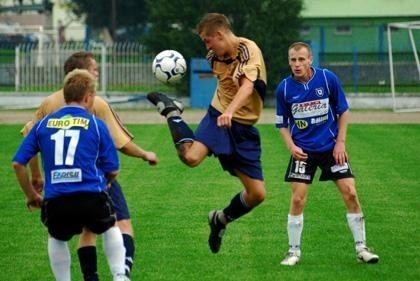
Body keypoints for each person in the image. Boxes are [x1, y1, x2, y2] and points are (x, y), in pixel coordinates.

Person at [21, 51, 158, 279]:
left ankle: (90, 277)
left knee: (76, 233)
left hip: (58, 182)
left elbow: (29, 139)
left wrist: (36, 176)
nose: (97, 72)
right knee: (120, 223)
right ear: (82, 74)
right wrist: (145, 154)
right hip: (94, 178)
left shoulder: (48, 103)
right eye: (94, 69)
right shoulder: (97, 104)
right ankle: (121, 274)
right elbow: (120, 143)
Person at [146, 12, 267, 254]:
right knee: (191, 157)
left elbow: (247, 87)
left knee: (257, 195)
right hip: (218, 116)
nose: (206, 46)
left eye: (207, 40)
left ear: (220, 34)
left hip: (242, 126)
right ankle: (171, 112)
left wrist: (232, 112)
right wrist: (226, 112)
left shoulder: (248, 49)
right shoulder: (214, 56)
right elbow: (229, 90)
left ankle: (220, 220)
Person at [12, 69, 129, 281]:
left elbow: (18, 163)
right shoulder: (95, 124)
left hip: (57, 200)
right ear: (88, 96)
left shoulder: (41, 125)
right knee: (110, 225)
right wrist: (105, 183)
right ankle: (119, 275)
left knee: (57, 236)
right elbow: (113, 169)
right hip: (90, 196)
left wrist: (31, 195)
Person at [275, 41, 379, 266]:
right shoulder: (283, 88)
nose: (297, 64)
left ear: (310, 59)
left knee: (351, 193)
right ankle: (293, 252)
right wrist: (291, 147)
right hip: (303, 151)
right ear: (289, 62)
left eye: (301, 59)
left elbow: (343, 111)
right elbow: (281, 123)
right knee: (298, 199)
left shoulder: (327, 78)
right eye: (293, 59)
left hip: (331, 148)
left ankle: (362, 248)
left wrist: (340, 143)